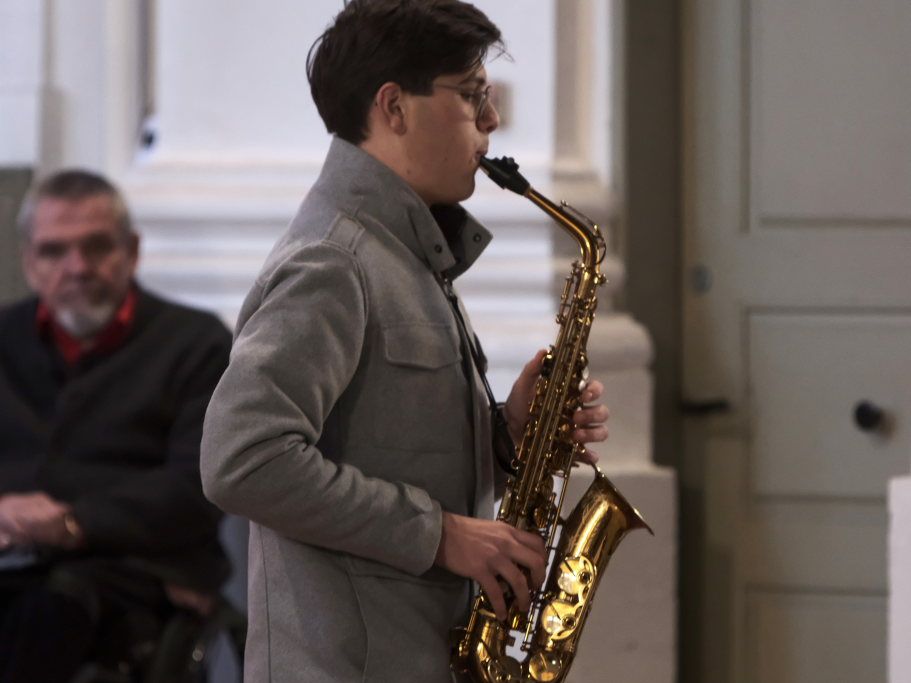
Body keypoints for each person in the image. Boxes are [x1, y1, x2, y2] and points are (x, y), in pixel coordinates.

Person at [200, 1, 610, 681]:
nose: (491, 119)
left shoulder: (404, 253)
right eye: (471, 94)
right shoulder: (332, 260)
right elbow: (242, 459)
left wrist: (510, 430)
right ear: (394, 107)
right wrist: (440, 535)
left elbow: (389, 448)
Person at [0, 169, 232, 682]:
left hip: (135, 565)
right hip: (13, 557)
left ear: (132, 250)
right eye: (54, 251)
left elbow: (200, 484)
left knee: (50, 607)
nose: (78, 267)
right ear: (29, 263)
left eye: (97, 246)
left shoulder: (196, 344)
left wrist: (72, 524)